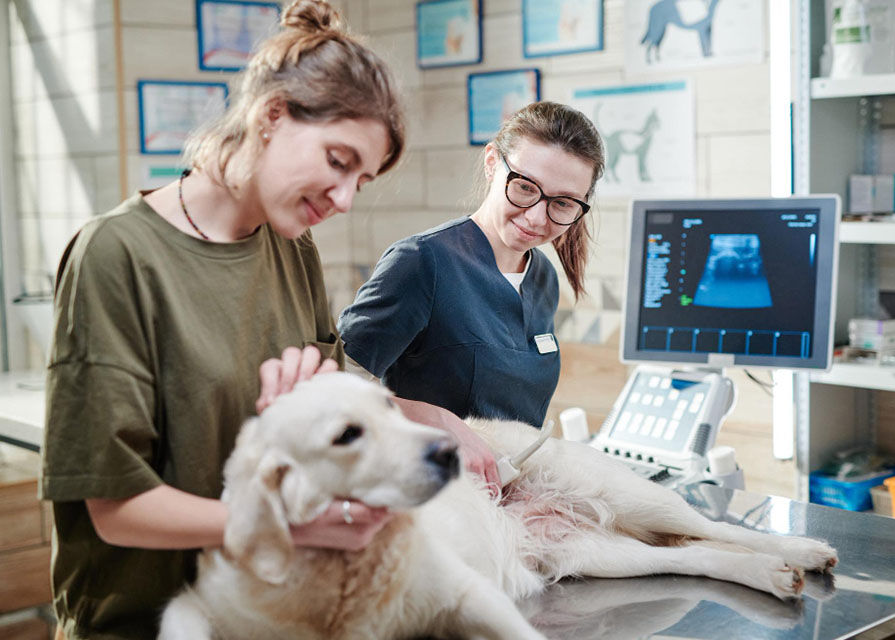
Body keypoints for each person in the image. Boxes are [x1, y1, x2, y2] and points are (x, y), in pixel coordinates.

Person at [39, 3, 428, 638]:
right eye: (338, 160)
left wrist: (417, 417)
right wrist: (289, 526)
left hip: (265, 610)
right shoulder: (116, 255)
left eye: (362, 179)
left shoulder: (291, 244)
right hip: (141, 621)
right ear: (272, 115)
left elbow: (318, 427)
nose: (345, 199)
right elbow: (115, 507)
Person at [338, 101, 605, 431]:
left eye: (562, 203)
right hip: (439, 475)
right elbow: (336, 382)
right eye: (524, 187)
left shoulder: (543, 277)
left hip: (509, 476)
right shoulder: (422, 262)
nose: (536, 218)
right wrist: (436, 420)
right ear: (492, 163)